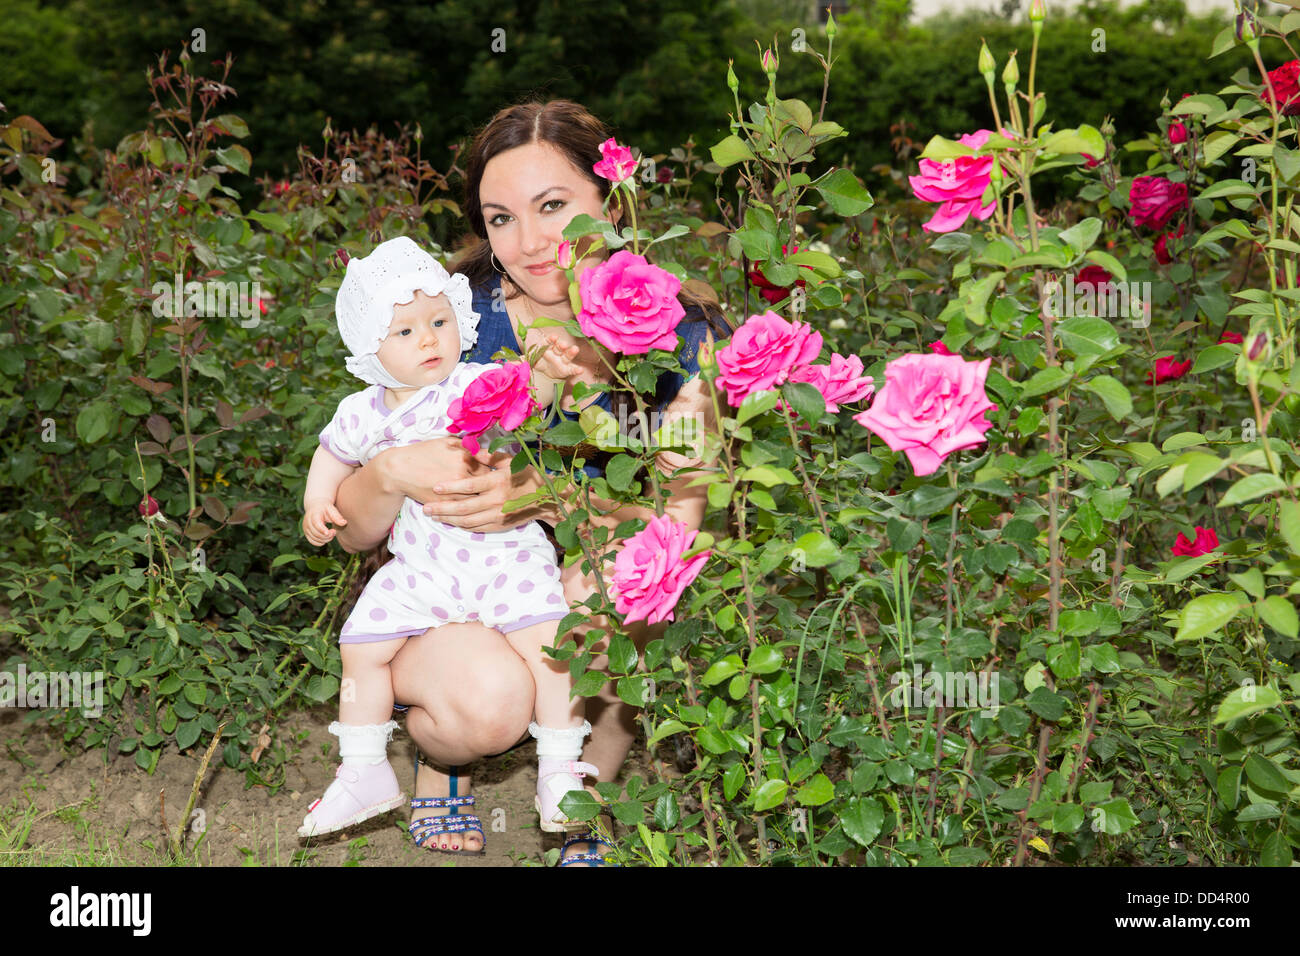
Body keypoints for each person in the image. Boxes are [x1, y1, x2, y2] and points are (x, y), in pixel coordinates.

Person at [331, 99, 731, 863]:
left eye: (554, 206)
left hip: (583, 581)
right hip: (454, 588)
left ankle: (583, 808)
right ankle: (445, 760)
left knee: (613, 586)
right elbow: (352, 531)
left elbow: (678, 521)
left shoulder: (682, 337)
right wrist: (388, 469)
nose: (531, 242)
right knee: (485, 713)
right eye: (501, 218)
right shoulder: (452, 321)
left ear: (609, 203)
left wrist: (551, 496)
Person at [296, 236, 600, 841]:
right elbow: (331, 456)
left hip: (505, 556)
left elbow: (525, 402)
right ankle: (362, 770)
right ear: (369, 347)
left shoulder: (474, 382)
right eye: (404, 332)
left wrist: (543, 369)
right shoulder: (362, 412)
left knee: (554, 648)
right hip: (425, 569)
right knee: (360, 645)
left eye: (438, 321)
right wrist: (316, 501)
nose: (429, 340)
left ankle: (561, 769)